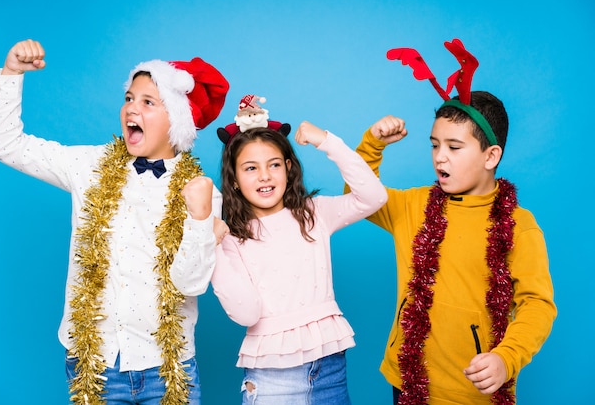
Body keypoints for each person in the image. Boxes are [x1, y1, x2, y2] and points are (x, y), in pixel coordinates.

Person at [0, 39, 230, 405]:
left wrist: (198, 219)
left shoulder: (202, 194)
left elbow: (191, 284)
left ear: (176, 122)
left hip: (168, 369)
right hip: (94, 363)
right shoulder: (89, 165)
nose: (132, 108)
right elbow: (6, 145)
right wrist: (11, 74)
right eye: (129, 98)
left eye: (148, 102)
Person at [348, 39, 557, 404]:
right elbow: (359, 193)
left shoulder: (519, 227)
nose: (440, 158)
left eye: (454, 148)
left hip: (473, 392)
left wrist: (506, 358)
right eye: (434, 145)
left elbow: (537, 304)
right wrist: (372, 144)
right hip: (407, 382)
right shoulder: (413, 206)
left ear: (491, 155)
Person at [210, 95, 388, 404]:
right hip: (272, 376)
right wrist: (209, 244)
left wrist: (328, 142)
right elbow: (245, 312)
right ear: (235, 180)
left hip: (330, 365)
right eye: (250, 168)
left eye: (274, 164)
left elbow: (373, 197)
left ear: (288, 168)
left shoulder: (314, 213)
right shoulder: (230, 238)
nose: (264, 176)